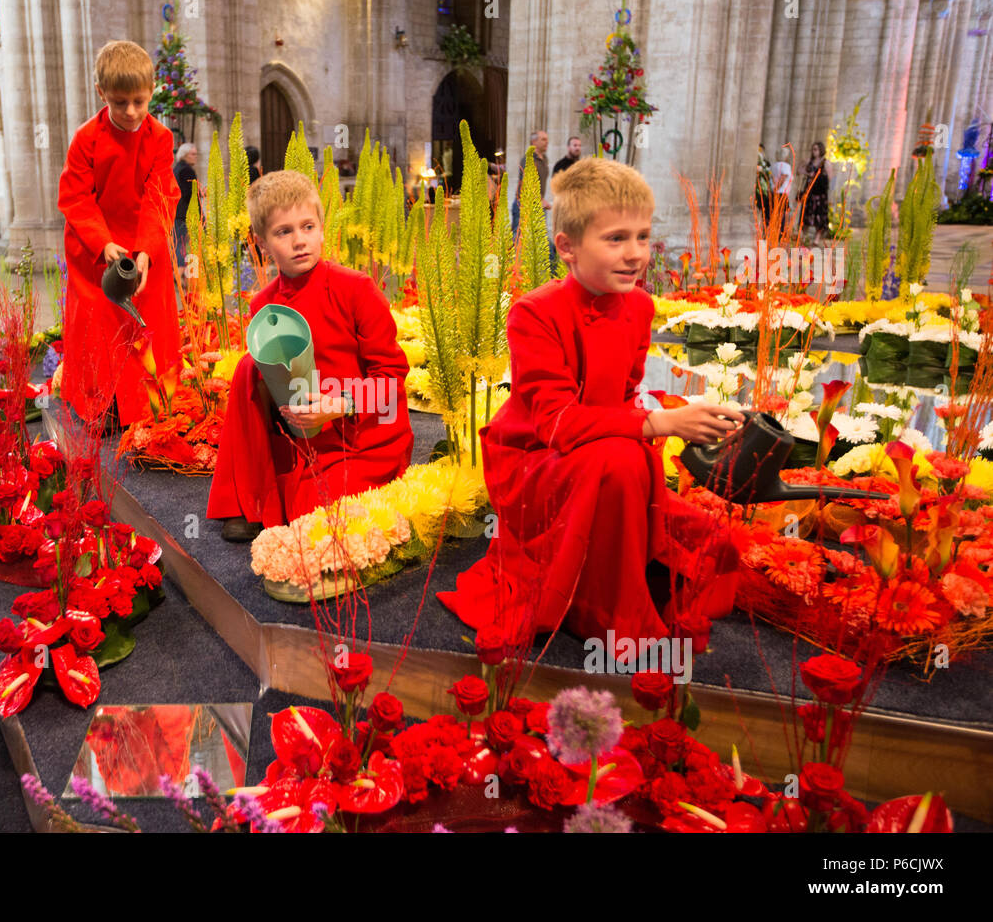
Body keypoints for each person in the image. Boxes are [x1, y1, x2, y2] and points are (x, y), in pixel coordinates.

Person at [439, 157, 744, 645]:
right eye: (616, 238)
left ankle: (622, 574)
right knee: (623, 461)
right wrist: (662, 422)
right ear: (567, 247)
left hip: (602, 450)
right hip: (535, 462)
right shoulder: (533, 313)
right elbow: (557, 425)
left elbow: (624, 398)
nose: (635, 254)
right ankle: (607, 615)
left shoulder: (641, 306)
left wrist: (669, 426)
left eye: (643, 236)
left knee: (717, 541)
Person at [207, 170, 414, 541]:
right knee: (248, 367)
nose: (300, 241)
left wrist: (340, 404)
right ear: (261, 242)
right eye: (284, 232)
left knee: (311, 515)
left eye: (308, 226)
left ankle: (274, 498)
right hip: (302, 433)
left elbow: (392, 377)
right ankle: (249, 499)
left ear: (322, 227)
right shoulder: (263, 303)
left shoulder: (356, 289)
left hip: (363, 435)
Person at [58, 40, 181, 426]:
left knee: (149, 316)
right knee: (98, 319)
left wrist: (145, 251)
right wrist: (103, 243)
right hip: (96, 246)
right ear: (101, 94)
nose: (131, 112)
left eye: (139, 102)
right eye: (120, 102)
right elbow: (76, 197)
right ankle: (103, 405)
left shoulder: (160, 138)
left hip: (146, 241)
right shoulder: (85, 139)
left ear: (151, 93)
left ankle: (149, 404)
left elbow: (159, 195)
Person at [510, 130, 550, 235]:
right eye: (543, 139)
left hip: (538, 206)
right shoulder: (528, 159)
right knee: (519, 237)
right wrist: (541, 199)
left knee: (539, 239)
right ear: (534, 142)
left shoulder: (544, 159)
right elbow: (525, 183)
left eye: (547, 139)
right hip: (524, 205)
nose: (547, 142)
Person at [800, 141, 830, 245]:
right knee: (806, 216)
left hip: (819, 193)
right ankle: (803, 237)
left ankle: (817, 239)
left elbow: (830, 177)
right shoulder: (810, 161)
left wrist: (818, 177)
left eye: (816, 149)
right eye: (813, 149)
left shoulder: (825, 162)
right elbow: (799, 169)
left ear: (821, 150)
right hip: (810, 191)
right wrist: (808, 173)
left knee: (819, 217)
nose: (814, 152)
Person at [173, 142, 199, 257]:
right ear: (184, 155)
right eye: (193, 154)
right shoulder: (187, 171)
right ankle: (182, 273)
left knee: (178, 245)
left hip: (177, 213)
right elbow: (190, 194)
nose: (195, 157)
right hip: (186, 215)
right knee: (185, 248)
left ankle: (179, 273)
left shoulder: (177, 168)